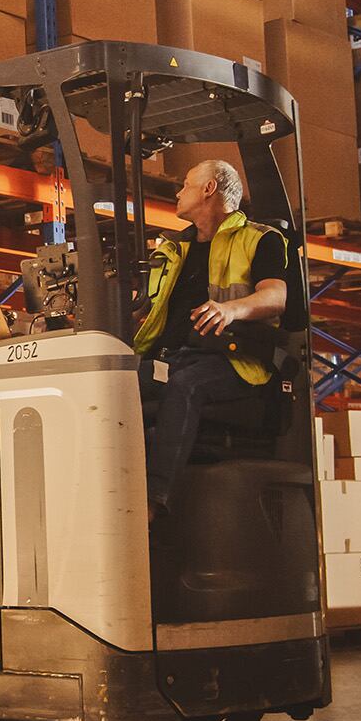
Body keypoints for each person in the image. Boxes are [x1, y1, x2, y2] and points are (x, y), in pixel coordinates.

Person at [132, 158, 291, 514]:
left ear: (209, 189)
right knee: (111, 386)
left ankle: (152, 502)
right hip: (169, 358)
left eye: (186, 184)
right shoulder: (172, 251)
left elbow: (276, 296)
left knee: (187, 384)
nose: (178, 191)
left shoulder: (259, 239)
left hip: (230, 359)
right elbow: (147, 309)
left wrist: (230, 309)